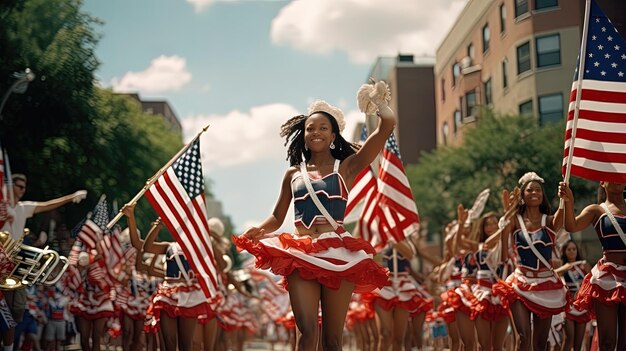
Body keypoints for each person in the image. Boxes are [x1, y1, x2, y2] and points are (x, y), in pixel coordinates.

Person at [233, 80, 394, 351]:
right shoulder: (293, 173)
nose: (316, 132)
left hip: (339, 254)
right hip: (301, 252)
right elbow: (277, 215)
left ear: (333, 135)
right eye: (310, 128)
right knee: (306, 332)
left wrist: (379, 104)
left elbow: (386, 126)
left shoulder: (349, 165)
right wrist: (257, 230)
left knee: (332, 340)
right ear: (304, 135)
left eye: (323, 128)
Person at [0, 173, 86, 351]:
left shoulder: (24, 207)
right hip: (1, 258)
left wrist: (71, 197)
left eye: (24, 187)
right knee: (6, 309)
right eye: (19, 186)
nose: (23, 190)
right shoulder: (2, 207)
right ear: (10, 187)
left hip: (15, 265)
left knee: (15, 311)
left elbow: (47, 205)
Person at [495, 172, 570, 351]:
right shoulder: (513, 220)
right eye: (529, 190)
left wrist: (566, 196)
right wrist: (509, 212)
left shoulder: (550, 221)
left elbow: (564, 210)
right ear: (522, 195)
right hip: (520, 283)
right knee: (523, 336)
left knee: (540, 343)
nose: (534, 193)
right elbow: (503, 256)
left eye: (538, 190)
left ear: (542, 195)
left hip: (546, 284)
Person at [558, 181, 626, 351]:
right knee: (607, 342)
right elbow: (571, 226)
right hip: (607, 280)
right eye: (612, 177)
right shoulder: (596, 210)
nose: (618, 181)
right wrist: (568, 201)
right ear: (603, 182)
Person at [140, 213, 218, 351]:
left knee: (185, 344)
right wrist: (158, 226)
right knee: (169, 342)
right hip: (167, 293)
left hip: (190, 295)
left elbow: (219, 265)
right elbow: (147, 248)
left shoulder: (200, 248)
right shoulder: (169, 246)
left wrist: (210, 238)